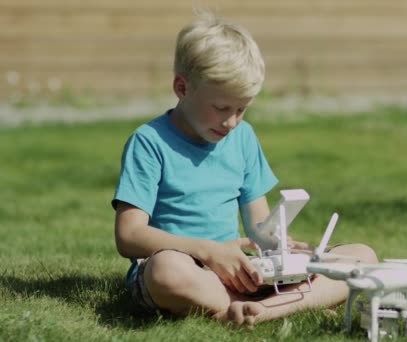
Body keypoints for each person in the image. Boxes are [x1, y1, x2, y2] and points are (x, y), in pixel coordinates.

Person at [111, 11, 377, 327]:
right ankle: (281, 303)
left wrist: (280, 245)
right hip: (183, 267)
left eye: (242, 108)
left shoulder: (243, 137)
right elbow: (128, 235)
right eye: (221, 108)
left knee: (362, 255)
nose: (232, 121)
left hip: (238, 270)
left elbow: (259, 228)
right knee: (166, 272)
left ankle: (258, 310)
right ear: (182, 88)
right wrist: (208, 252)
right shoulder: (149, 142)